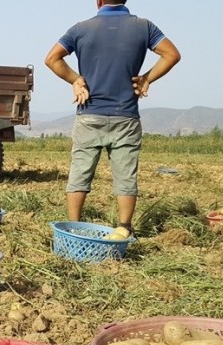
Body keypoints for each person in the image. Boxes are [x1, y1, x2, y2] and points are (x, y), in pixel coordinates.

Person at [44, 0, 180, 236]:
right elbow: (172, 54)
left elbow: (52, 58)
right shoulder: (144, 27)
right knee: (126, 177)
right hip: (125, 116)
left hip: (89, 114)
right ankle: (124, 229)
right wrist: (147, 78)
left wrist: (75, 79)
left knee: (80, 172)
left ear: (98, 1)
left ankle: (73, 229)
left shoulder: (81, 28)